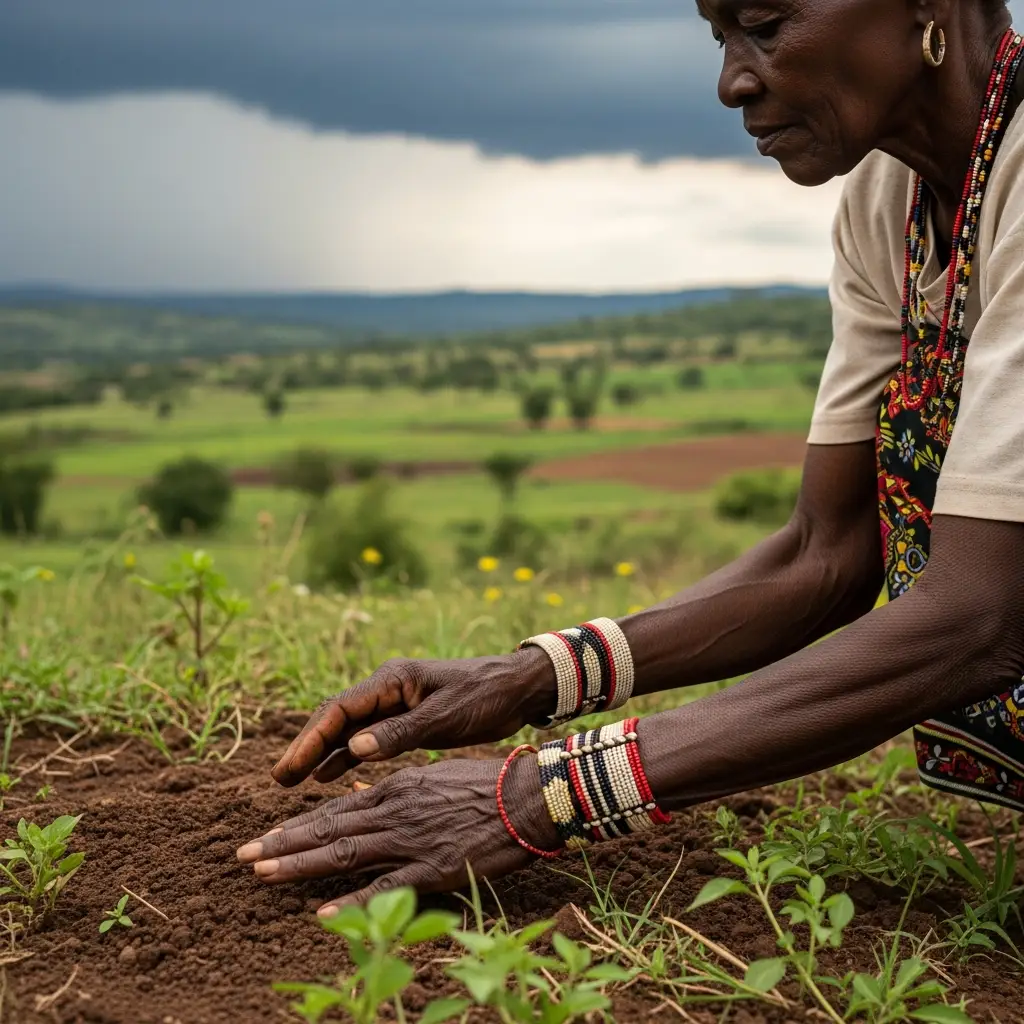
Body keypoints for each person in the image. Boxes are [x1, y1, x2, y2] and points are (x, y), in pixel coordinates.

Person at [237, 0, 1024, 918]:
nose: (733, 79)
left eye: (766, 24)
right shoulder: (890, 202)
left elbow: (979, 611)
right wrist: (531, 677)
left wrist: (544, 795)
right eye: (721, 37)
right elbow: (832, 550)